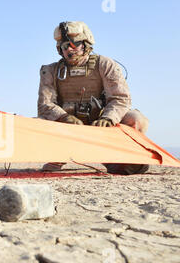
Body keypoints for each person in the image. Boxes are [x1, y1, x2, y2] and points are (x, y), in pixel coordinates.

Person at [37, 21, 149, 175]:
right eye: (64, 46)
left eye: (74, 44)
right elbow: (45, 104)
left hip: (100, 127)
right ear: (59, 49)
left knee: (136, 119)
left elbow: (120, 98)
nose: (69, 49)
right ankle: (58, 156)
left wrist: (108, 118)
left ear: (86, 44)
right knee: (37, 124)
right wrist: (64, 117)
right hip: (67, 128)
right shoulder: (50, 71)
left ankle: (123, 157)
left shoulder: (104, 64)